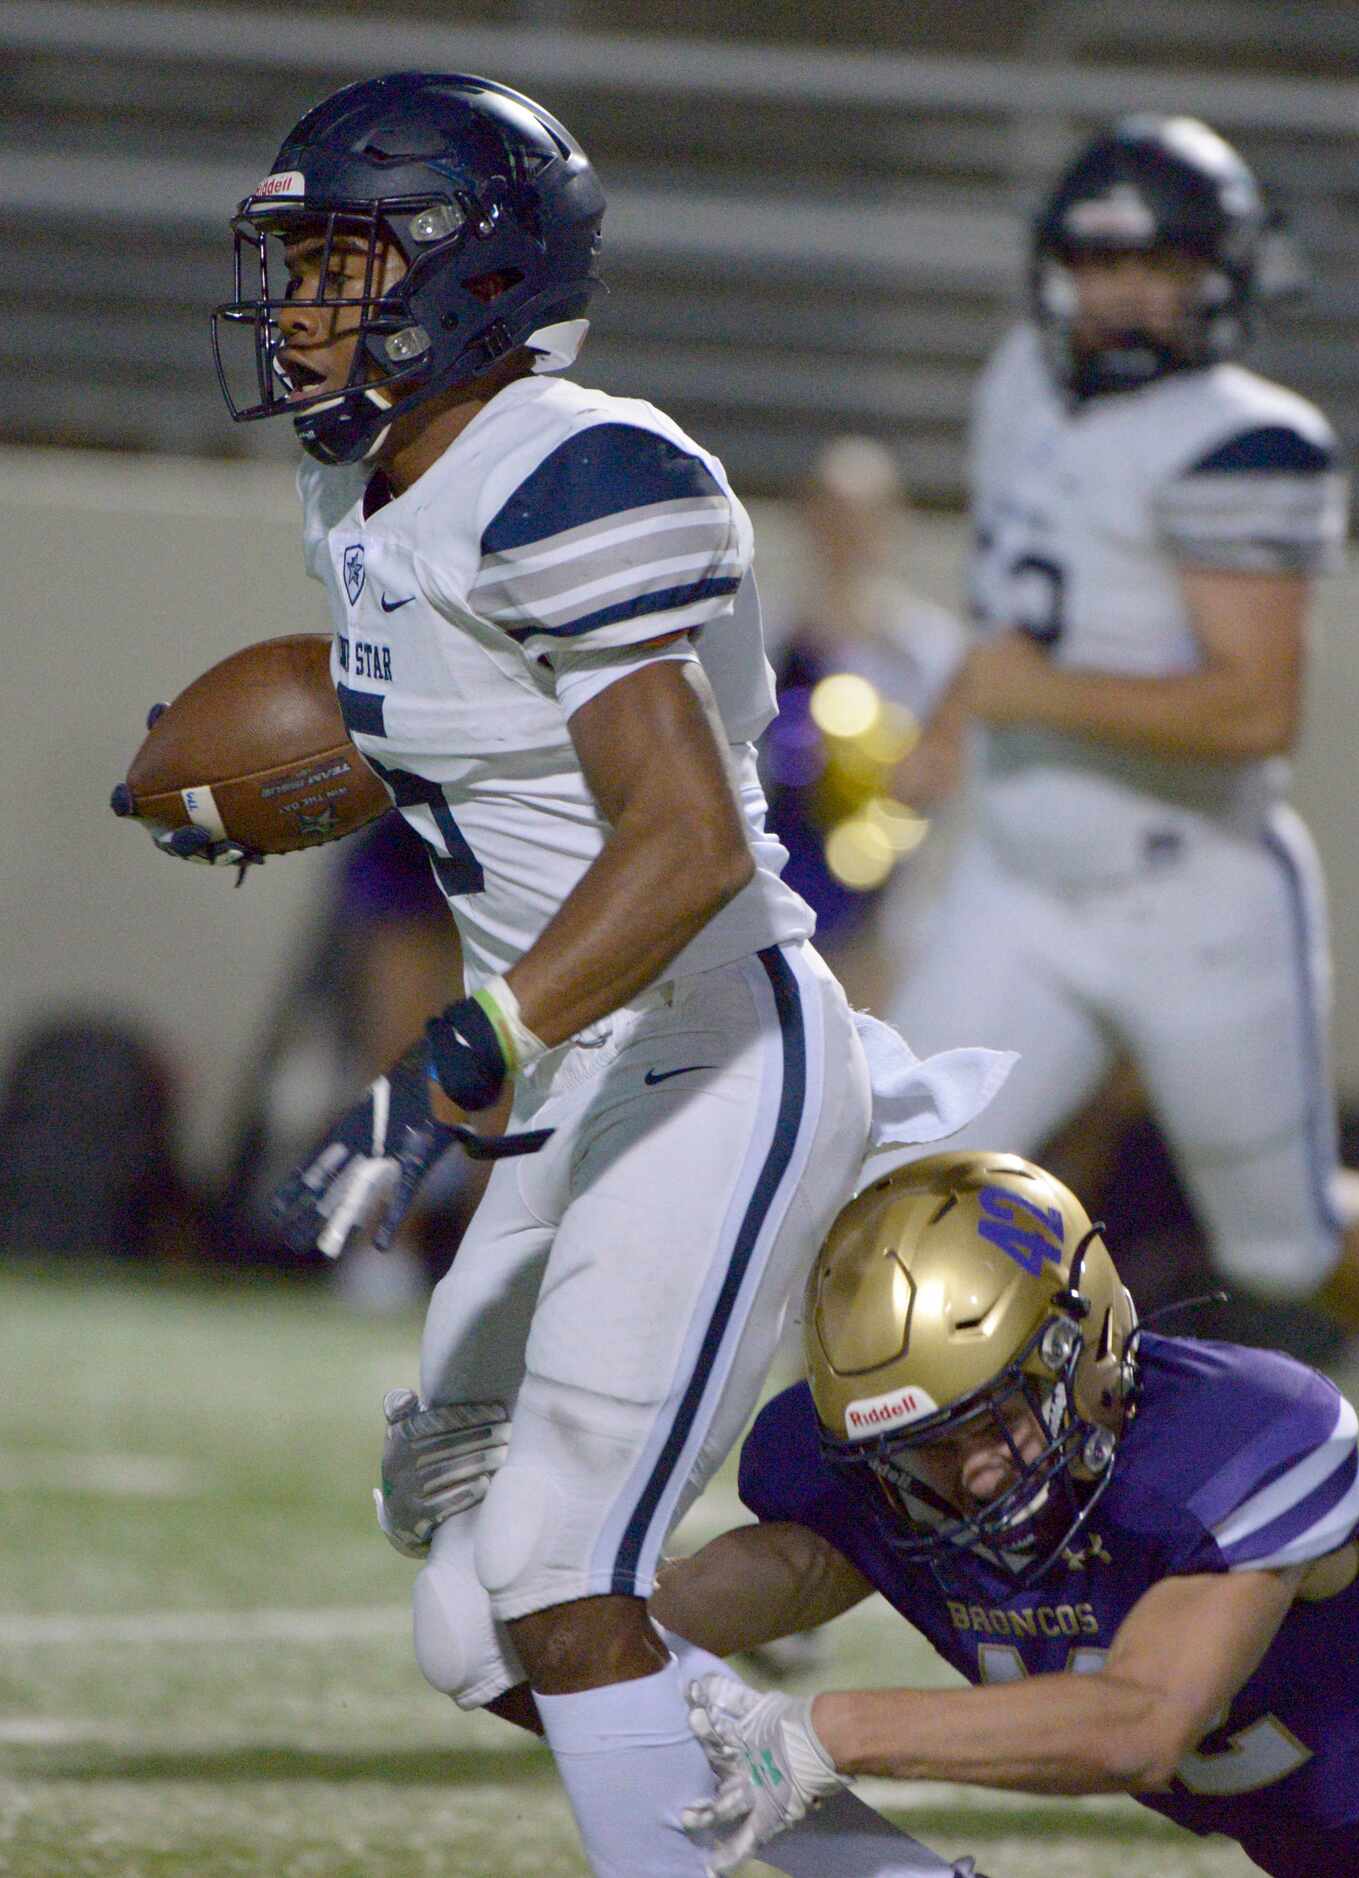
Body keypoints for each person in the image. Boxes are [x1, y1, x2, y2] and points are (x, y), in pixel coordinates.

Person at [156, 71, 1007, 1878]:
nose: (301, 309)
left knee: (555, 1570)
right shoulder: (361, 484)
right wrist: (284, 773)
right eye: (294, 266)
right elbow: (492, 744)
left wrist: (464, 1039)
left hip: (710, 1053)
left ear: (474, 276)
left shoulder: (577, 469)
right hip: (584, 1076)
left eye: (341, 264)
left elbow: (686, 840)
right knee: (473, 1618)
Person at [882, 112, 1359, 1506]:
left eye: (1158, 265)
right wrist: (962, 718)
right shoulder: (1016, 384)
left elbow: (1247, 710)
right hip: (1023, 875)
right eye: (1099, 264)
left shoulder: (1248, 443)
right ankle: (856, 1520)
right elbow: (1006, 615)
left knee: (1284, 1243)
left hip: (1189, 888)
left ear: (1223, 275)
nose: (1125, 296)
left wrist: (1016, 687)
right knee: (897, 1199)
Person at [388, 1153, 1359, 1877]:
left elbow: (1140, 1725)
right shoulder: (879, 1490)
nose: (973, 1477)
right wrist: (513, 1546)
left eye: (991, 1419)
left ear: (1083, 1343)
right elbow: (629, 1641)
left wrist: (831, 1729)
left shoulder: (1237, 1434)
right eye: (919, 1448)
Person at [759, 436, 967, 1015]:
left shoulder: (932, 653)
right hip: (776, 897)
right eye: (832, 514)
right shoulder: (764, 641)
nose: (847, 534)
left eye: (865, 515)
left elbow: (949, 780)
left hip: (888, 908)